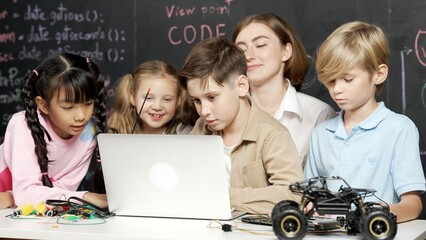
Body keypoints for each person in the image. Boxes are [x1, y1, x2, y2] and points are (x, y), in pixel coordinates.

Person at [304, 21, 426, 223]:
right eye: (331, 81)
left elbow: (413, 205)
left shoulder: (399, 129)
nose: (336, 90)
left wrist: (381, 214)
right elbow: (311, 195)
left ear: (379, 74)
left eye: (348, 79)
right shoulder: (321, 133)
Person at [179, 37, 304, 214]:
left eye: (212, 97)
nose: (204, 110)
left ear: (242, 86)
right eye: (197, 101)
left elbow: (293, 195)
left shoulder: (273, 135)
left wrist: (224, 196)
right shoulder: (201, 127)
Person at [0, 53, 108, 208]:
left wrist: (14, 197)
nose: (81, 116)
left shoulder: (88, 133)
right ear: (43, 105)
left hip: (24, 210)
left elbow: (63, 191)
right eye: (68, 107)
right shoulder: (22, 125)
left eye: (88, 103)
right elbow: (25, 194)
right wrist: (86, 196)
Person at [232, 13, 336, 168]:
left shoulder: (318, 114)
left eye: (260, 45)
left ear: (285, 52)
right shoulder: (227, 113)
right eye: (241, 49)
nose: (249, 56)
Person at [108, 60, 196, 134]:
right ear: (133, 97)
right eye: (148, 98)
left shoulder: (188, 135)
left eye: (167, 99)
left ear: (178, 100)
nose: (157, 107)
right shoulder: (120, 133)